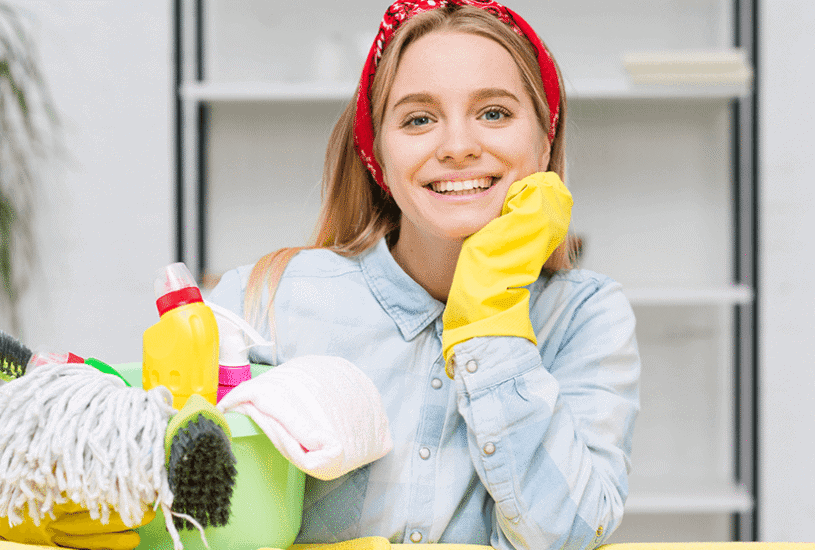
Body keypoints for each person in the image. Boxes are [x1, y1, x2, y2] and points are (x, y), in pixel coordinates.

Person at [209, 1, 640, 549]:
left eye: (494, 113)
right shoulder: (262, 303)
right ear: (378, 157)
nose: (458, 147)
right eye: (418, 119)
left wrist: (491, 313)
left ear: (544, 142)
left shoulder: (587, 317)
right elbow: (191, 517)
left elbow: (571, 533)